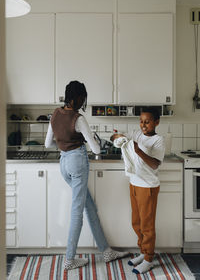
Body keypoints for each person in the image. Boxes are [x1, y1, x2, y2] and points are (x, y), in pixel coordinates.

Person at [45, 80, 129, 270]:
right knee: (77, 212)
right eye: (83, 98)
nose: (84, 101)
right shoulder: (78, 118)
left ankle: (106, 251)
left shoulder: (55, 114)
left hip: (64, 164)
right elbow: (96, 148)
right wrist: (83, 137)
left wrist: (65, 140)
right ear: (77, 98)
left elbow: (48, 144)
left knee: (89, 206)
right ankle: (69, 259)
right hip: (77, 163)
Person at [110, 107, 165, 274]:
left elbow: (155, 164)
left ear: (156, 122)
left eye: (147, 122)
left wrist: (138, 151)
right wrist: (117, 137)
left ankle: (148, 258)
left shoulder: (158, 140)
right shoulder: (136, 134)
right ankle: (143, 251)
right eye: (141, 121)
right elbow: (116, 138)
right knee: (136, 222)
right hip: (134, 182)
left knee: (147, 226)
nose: (143, 125)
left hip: (148, 186)